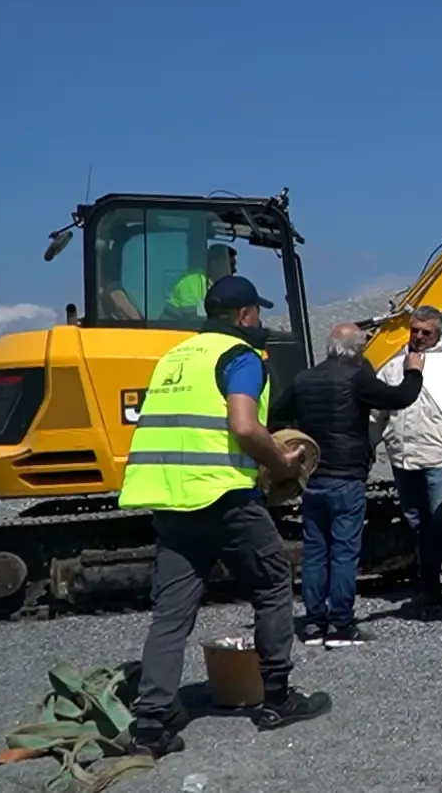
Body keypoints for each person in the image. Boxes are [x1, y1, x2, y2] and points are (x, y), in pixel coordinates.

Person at [118, 274, 330, 759]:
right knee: (273, 584)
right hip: (223, 497)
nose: (261, 321)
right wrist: (281, 464)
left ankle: (151, 724)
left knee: (171, 615)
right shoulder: (239, 357)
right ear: (244, 316)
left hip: (169, 501)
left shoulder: (174, 358)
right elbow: (242, 424)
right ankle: (277, 699)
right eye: (258, 313)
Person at [270, 321, 424, 646]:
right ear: (357, 350)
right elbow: (400, 398)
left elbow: (273, 416)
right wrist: (413, 370)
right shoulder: (358, 378)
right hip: (347, 478)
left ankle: (313, 624)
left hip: (311, 479)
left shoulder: (303, 379)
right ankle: (340, 625)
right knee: (343, 553)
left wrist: (293, 446)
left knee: (315, 552)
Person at [372, 306, 442, 614]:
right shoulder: (391, 369)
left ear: (438, 334)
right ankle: (430, 587)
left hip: (435, 460)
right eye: (414, 330)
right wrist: (365, 450)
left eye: (425, 332)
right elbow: (377, 415)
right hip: (402, 460)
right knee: (418, 525)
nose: (418, 336)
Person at [163, 244, 238, 320]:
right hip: (171, 329)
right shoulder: (191, 281)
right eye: (231, 265)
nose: (235, 270)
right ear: (215, 263)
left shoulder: (217, 285)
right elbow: (191, 319)